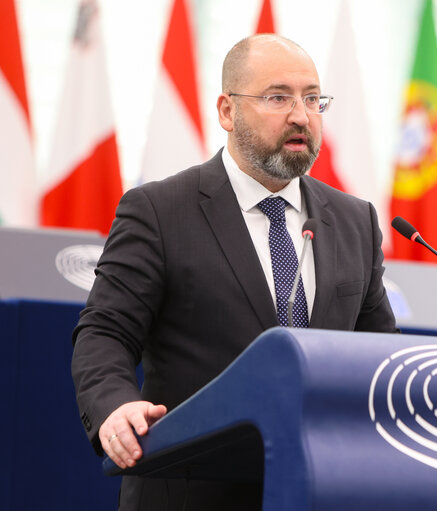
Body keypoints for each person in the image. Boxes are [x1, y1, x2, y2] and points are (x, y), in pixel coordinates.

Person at [71, 34, 397, 510]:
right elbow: (104, 330)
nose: (301, 116)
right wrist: (115, 405)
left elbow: (379, 356)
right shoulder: (160, 211)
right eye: (278, 97)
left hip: (317, 489)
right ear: (227, 111)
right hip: (190, 489)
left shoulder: (355, 221)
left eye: (312, 98)